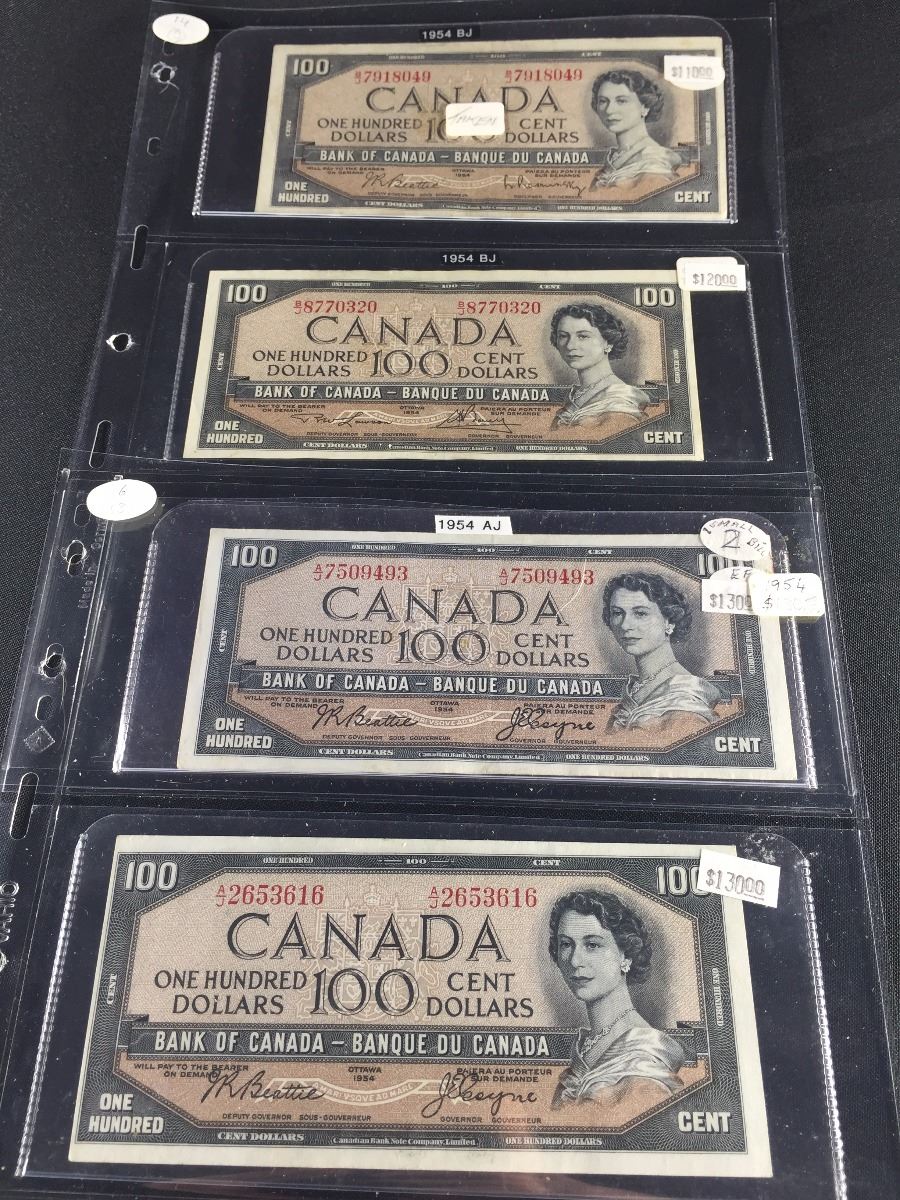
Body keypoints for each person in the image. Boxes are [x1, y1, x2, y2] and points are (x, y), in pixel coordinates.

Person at [549, 889, 687, 1111]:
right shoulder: (586, 1047)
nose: (575, 960)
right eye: (566, 944)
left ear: (626, 955)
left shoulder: (644, 1061)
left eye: (592, 945)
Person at [602, 572, 722, 733]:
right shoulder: (635, 690)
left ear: (669, 622)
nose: (625, 625)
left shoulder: (686, 704)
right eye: (617, 613)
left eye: (640, 613)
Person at [549, 303, 649, 435]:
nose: (570, 345)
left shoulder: (620, 401)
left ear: (608, 342)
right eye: (563, 336)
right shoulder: (575, 397)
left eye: (583, 336)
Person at [589, 70, 682, 189]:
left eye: (621, 101)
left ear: (645, 107)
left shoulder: (654, 162)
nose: (609, 110)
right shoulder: (614, 159)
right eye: (603, 101)